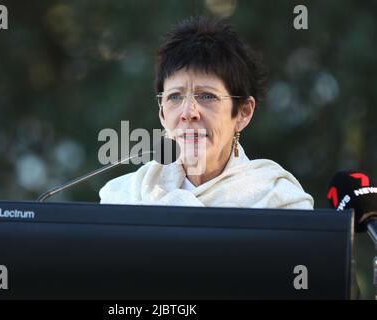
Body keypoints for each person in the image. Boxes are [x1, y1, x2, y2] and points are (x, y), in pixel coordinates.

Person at [99, 16, 314, 209]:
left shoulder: (279, 203)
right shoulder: (123, 199)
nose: (188, 113)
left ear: (243, 113)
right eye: (174, 97)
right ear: (162, 113)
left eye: (207, 96)